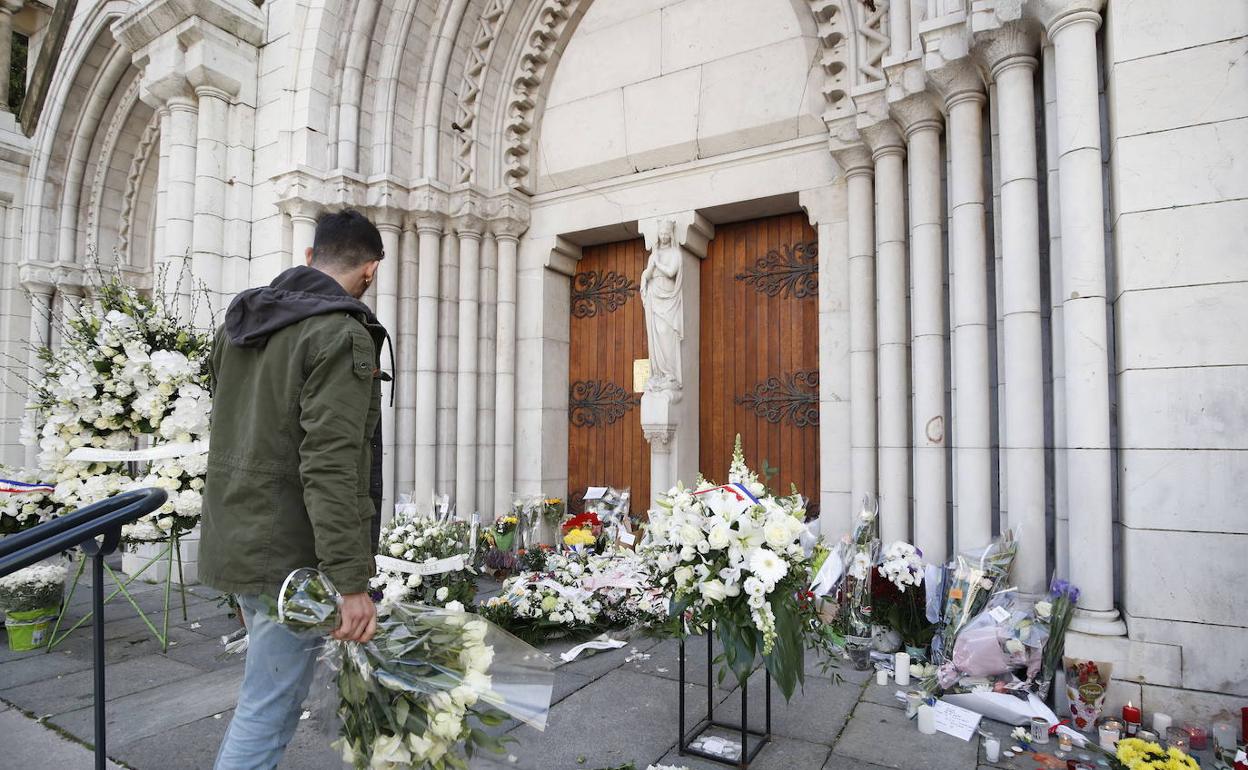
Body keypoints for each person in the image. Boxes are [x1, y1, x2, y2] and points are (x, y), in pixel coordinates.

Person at [202, 209, 390, 770]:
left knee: (264, 696)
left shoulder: (242, 324)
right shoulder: (337, 332)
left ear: (309, 258)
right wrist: (352, 583)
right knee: (269, 709)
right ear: (370, 271)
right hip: (290, 557)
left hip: (236, 539)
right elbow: (330, 466)